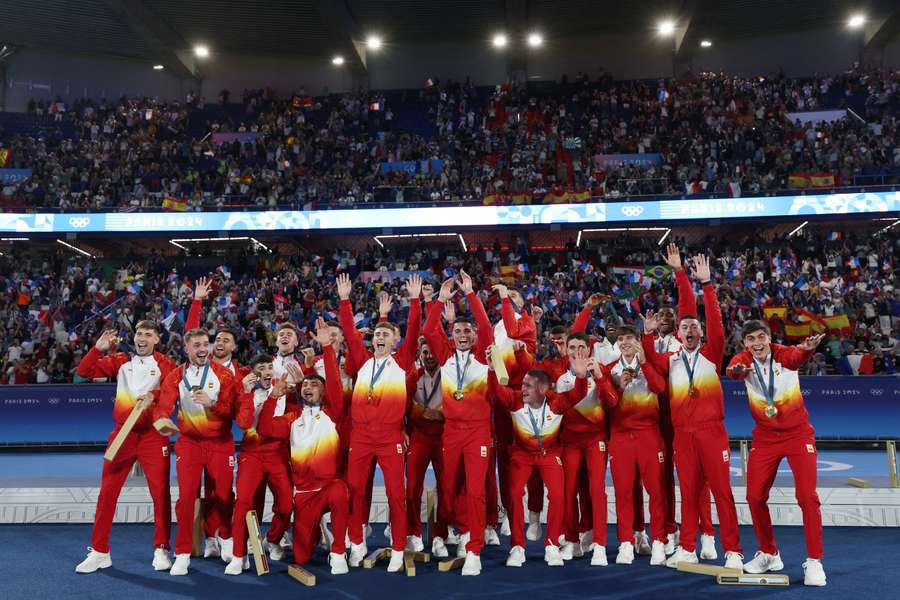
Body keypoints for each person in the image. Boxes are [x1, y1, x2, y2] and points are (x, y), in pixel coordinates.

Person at [641, 252, 743, 570]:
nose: (689, 330)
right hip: (683, 435)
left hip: (712, 431)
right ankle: (687, 547)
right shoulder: (670, 360)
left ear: (701, 332)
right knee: (687, 491)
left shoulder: (713, 353)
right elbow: (649, 359)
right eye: (684, 327)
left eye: (694, 326)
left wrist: (705, 284)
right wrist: (645, 334)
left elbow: (712, 320)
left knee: (722, 492)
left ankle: (734, 552)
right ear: (678, 334)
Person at [726, 321, 827, 586]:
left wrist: (806, 350)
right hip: (766, 437)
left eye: (761, 337)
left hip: (798, 435)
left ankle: (815, 561)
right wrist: (737, 371)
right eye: (751, 339)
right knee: (754, 496)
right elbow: (733, 370)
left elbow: (797, 356)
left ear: (770, 338)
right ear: (744, 342)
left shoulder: (784, 354)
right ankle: (769, 553)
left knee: (807, 496)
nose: (757, 343)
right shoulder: (743, 359)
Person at [74, 323, 177, 574]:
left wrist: (153, 393)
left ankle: (162, 549)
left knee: (160, 493)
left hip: (153, 435)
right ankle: (100, 552)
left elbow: (171, 391)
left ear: (157, 339)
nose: (142, 338)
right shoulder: (120, 360)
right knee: (107, 492)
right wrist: (97, 349)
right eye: (139, 334)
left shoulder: (166, 363)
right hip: (122, 434)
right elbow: (84, 371)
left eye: (148, 335)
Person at [338, 273, 422, 573]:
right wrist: (345, 300)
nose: (381, 337)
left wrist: (414, 301)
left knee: (395, 494)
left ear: (396, 341)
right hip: (360, 437)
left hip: (390, 438)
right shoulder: (362, 362)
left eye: (387, 334)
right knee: (355, 491)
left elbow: (414, 329)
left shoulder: (402, 362)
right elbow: (349, 334)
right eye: (377, 334)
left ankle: (399, 547)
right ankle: (357, 541)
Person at [153, 327, 254, 576]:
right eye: (196, 345)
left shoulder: (224, 375)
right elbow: (162, 408)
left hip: (220, 442)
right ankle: (183, 553)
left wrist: (213, 404)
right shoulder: (175, 376)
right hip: (189, 442)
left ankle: (227, 539)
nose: (202, 349)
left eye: (204, 344)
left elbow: (233, 413)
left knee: (222, 495)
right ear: (186, 349)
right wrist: (163, 422)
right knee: (186, 497)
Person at [257, 321, 351, 575]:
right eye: (305, 385)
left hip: (329, 487)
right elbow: (265, 429)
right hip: (304, 495)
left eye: (315, 384)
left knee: (341, 491)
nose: (309, 387)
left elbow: (332, 379)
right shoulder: (292, 417)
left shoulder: (333, 412)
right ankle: (311, 539)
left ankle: (339, 551)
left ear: (324, 391)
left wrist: (328, 348)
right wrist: (274, 397)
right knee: (301, 556)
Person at [422, 272, 493, 576]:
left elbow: (487, 327)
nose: (463, 333)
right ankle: (455, 529)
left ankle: (473, 547)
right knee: (448, 488)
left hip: (478, 432)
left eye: (468, 330)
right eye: (459, 330)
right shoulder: (445, 355)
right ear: (452, 335)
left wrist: (472, 294)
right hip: (450, 432)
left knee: (476, 490)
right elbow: (428, 328)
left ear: (474, 335)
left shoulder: (481, 355)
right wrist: (439, 299)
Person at [488, 358, 589, 567]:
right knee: (514, 494)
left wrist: (581, 376)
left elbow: (579, 394)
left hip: (549, 454)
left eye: (528, 385)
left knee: (558, 495)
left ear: (543, 388)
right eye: (522, 384)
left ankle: (552, 544)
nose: (522, 388)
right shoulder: (515, 399)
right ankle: (517, 547)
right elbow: (497, 392)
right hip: (522, 455)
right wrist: (491, 370)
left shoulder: (556, 403)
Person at [185, 276, 250, 558]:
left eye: (226, 340)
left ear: (234, 348)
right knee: (203, 491)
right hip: (197, 438)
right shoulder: (201, 365)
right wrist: (197, 301)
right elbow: (190, 333)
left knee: (222, 491)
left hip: (227, 440)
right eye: (217, 339)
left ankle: (226, 534)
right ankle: (211, 536)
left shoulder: (243, 374)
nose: (219, 342)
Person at [224, 353, 296, 575]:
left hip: (277, 454)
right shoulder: (246, 393)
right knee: (244, 503)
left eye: (268, 368)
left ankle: (273, 539)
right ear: (254, 373)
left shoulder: (284, 389)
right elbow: (245, 423)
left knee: (286, 504)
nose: (266, 371)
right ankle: (239, 555)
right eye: (261, 368)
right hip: (251, 455)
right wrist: (245, 393)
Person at [605, 325, 668, 566]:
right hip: (620, 438)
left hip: (648, 434)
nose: (625, 342)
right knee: (623, 492)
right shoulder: (610, 370)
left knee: (656, 490)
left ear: (638, 340)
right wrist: (619, 386)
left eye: (629, 338)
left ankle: (660, 542)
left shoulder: (648, 364)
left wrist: (645, 364)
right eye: (621, 339)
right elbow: (607, 405)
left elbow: (660, 388)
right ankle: (625, 543)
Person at [404, 339, 451, 557]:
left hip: (444, 436)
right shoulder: (413, 377)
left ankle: (441, 535)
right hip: (419, 437)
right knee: (412, 487)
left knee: (446, 488)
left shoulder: (450, 374)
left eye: (433, 352)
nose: (429, 356)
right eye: (425, 352)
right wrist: (420, 414)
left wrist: (441, 413)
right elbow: (402, 405)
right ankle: (413, 533)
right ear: (420, 354)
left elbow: (459, 403)